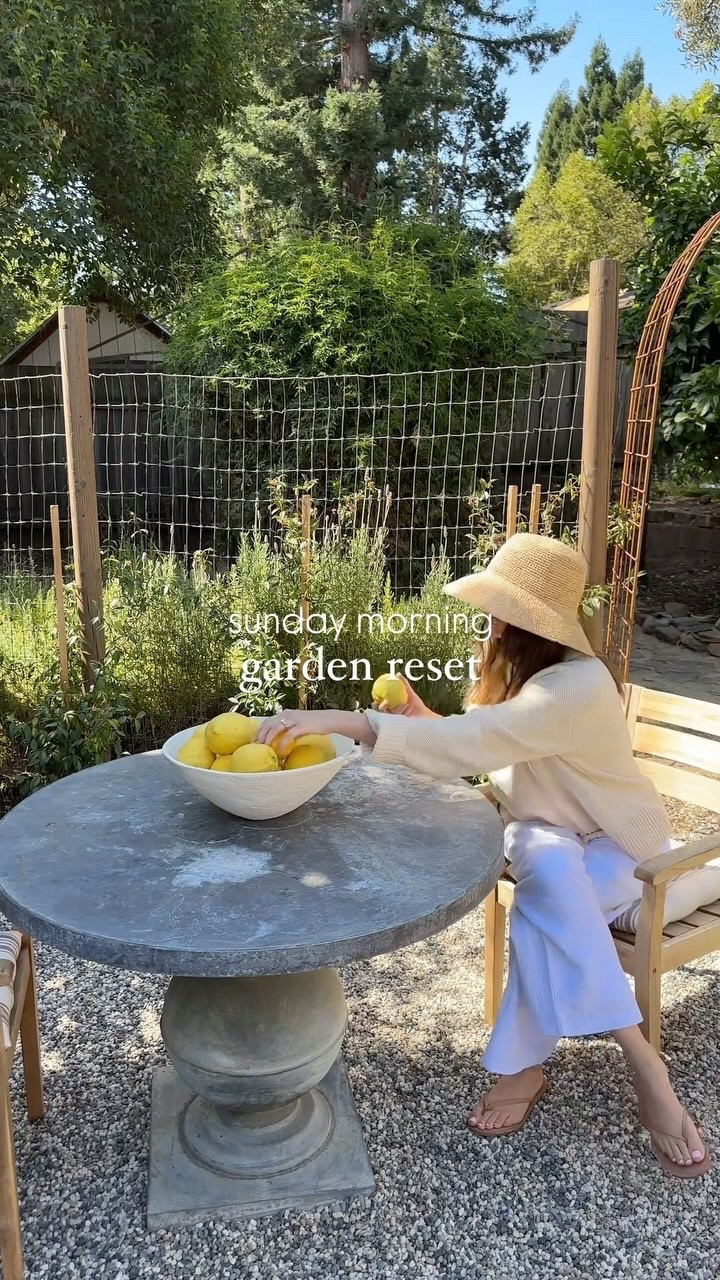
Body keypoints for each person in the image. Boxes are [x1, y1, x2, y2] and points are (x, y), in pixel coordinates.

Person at [256, 532, 710, 1178]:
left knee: (547, 898)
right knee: (548, 873)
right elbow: (486, 745)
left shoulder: (578, 685)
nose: (490, 621)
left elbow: (488, 738)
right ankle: (635, 1059)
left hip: (617, 846)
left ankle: (590, 1065)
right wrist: (421, 717)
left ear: (530, 620)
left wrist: (350, 722)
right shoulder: (518, 673)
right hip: (544, 835)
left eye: (501, 609)